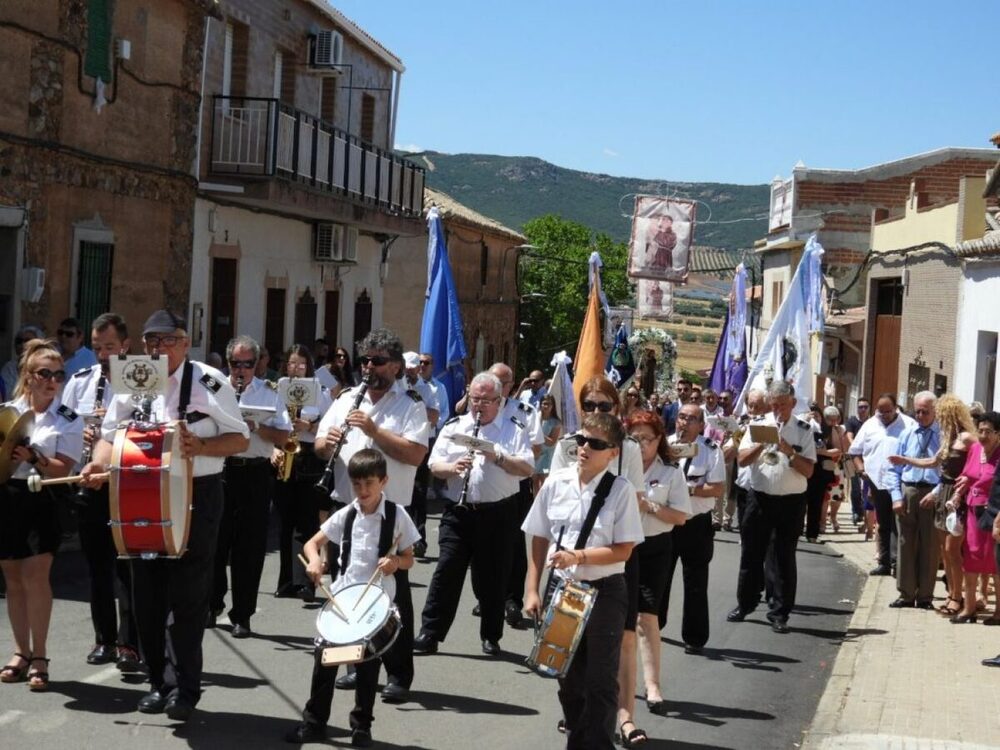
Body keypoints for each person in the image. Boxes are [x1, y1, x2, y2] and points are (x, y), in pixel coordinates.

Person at [81, 309, 250, 721]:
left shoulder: (210, 382)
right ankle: (158, 681)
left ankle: (184, 689)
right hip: (139, 495)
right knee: (147, 597)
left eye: (167, 340)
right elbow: (110, 436)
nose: (158, 348)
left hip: (196, 495)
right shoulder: (132, 379)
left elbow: (241, 439)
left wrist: (201, 448)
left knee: (188, 597)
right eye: (151, 341)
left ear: (184, 342)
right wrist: (97, 464)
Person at [317, 329, 429, 703]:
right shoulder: (347, 397)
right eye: (366, 360)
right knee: (349, 588)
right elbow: (318, 444)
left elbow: (415, 455)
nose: (369, 367)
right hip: (347, 509)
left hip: (388, 512)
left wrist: (374, 430)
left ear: (396, 366)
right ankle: (354, 661)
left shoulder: (410, 404)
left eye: (378, 361)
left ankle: (398, 673)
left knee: (392, 594)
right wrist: (326, 443)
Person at [523, 411, 644, 749]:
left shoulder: (621, 491)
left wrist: (579, 556)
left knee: (601, 681)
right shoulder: (556, 482)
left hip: (605, 592)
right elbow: (538, 536)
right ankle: (579, 740)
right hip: (562, 590)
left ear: (613, 452)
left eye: (595, 443)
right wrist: (532, 589)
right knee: (567, 678)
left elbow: (623, 550)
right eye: (581, 440)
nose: (585, 448)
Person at [286, 449, 420, 746]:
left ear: (383, 481)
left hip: (375, 603)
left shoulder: (398, 515)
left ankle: (361, 727)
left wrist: (396, 563)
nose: (362, 491)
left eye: (369, 484)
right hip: (342, 600)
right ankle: (314, 723)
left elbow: (410, 558)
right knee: (326, 662)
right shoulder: (346, 514)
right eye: (357, 485)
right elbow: (312, 543)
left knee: (367, 667)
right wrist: (314, 562)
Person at [549, 375, 647, 744]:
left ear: (616, 408)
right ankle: (583, 722)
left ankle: (619, 718)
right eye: (588, 405)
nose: (595, 412)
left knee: (613, 649)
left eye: (603, 406)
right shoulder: (568, 445)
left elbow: (632, 505)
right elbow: (554, 499)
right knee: (566, 663)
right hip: (568, 563)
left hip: (615, 556)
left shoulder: (629, 450)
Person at [413, 372, 533, 657]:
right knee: (446, 571)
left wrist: (498, 457)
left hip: (498, 512)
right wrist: (453, 468)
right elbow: (434, 464)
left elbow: (527, 468)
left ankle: (491, 636)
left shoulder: (514, 428)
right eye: (475, 399)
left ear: (499, 401)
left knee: (493, 577)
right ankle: (430, 633)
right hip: (459, 512)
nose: (478, 406)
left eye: (486, 401)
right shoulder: (456, 425)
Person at [0, 338, 83, 691]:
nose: (53, 381)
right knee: (13, 579)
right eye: (45, 373)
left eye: (59, 375)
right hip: (7, 496)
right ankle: (20, 651)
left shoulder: (67, 418)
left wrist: (34, 458)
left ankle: (41, 655)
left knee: (36, 576)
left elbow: (65, 466)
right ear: (28, 375)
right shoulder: (7, 410)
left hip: (43, 496)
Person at [60, 313, 140, 670]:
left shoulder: (140, 382)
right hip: (90, 482)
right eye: (97, 348)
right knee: (98, 567)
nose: (103, 354)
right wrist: (85, 438)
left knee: (128, 567)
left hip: (126, 483)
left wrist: (112, 431)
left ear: (125, 345)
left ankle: (130, 643)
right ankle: (104, 639)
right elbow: (61, 427)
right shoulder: (79, 382)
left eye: (109, 347)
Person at [210, 335, 291, 637]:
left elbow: (284, 436)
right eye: (235, 363)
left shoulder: (270, 394)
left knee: (250, 547)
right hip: (221, 470)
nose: (240, 370)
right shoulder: (215, 390)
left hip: (255, 473)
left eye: (247, 364)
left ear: (257, 364)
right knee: (215, 541)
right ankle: (211, 602)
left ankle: (242, 614)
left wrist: (258, 426)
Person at [728, 380, 816, 634]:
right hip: (760, 498)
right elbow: (742, 461)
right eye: (774, 405)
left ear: (793, 404)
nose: (778, 411)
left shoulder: (803, 429)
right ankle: (745, 604)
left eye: (783, 406)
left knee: (783, 557)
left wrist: (789, 451)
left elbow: (809, 470)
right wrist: (761, 443)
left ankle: (779, 612)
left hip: (790, 502)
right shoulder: (759, 425)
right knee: (751, 553)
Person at [626, 410, 691, 720]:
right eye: (634, 438)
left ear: (658, 440)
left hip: (655, 548)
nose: (640, 445)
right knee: (619, 619)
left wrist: (648, 505)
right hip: (622, 547)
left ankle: (652, 686)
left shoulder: (671, 473)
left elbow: (680, 517)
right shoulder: (619, 468)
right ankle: (615, 682)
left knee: (647, 617)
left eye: (646, 439)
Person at [890, 395, 975, 616]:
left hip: (950, 495)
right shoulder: (947, 438)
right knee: (941, 551)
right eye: (917, 412)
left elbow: (977, 464)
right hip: (931, 491)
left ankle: (953, 596)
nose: (923, 416)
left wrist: (964, 482)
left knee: (948, 549)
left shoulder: (966, 439)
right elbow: (932, 462)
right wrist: (905, 460)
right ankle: (940, 595)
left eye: (931, 413)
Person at [272, 345, 336, 601]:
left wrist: (308, 425)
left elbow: (330, 423)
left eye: (301, 364)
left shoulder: (320, 392)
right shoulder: (277, 389)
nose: (296, 368)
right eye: (291, 364)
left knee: (307, 520)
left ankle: (306, 582)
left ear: (308, 367)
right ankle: (286, 580)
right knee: (284, 522)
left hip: (309, 454)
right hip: (284, 454)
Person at [662, 403, 725, 648]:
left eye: (691, 419)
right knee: (660, 577)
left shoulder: (710, 450)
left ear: (701, 425)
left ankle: (695, 638)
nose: (684, 423)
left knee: (696, 582)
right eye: (681, 417)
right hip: (666, 521)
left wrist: (689, 489)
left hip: (696, 524)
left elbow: (717, 488)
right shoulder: (664, 445)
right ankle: (653, 625)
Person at [848, 394, 916, 576]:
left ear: (896, 408)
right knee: (883, 523)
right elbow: (854, 451)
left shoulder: (909, 425)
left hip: (901, 483)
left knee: (899, 524)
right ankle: (884, 562)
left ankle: (898, 562)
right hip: (876, 482)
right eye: (881, 411)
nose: (884, 415)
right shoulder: (870, 425)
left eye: (888, 411)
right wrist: (861, 470)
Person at [884, 391, 940, 609]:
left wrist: (935, 493)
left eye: (925, 412)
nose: (920, 415)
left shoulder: (943, 436)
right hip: (909, 491)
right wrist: (896, 497)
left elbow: (946, 471)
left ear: (934, 411)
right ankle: (906, 593)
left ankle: (925, 596)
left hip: (931, 492)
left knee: (930, 545)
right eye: (917, 411)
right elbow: (893, 469)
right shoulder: (907, 434)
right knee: (905, 543)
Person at [948, 411, 1000, 624]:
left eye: (988, 431)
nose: (983, 435)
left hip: (995, 514)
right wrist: (957, 495)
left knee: (996, 563)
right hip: (972, 512)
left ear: (998, 434)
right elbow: (968, 477)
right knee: (970, 558)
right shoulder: (975, 449)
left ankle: (999, 613)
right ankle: (969, 608)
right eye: (980, 430)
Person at [846, 399, 871, 528]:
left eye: (865, 407)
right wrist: (856, 447)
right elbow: (849, 436)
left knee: (866, 488)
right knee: (855, 487)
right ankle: (856, 512)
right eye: (860, 407)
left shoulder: (872, 423)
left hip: (867, 459)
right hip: (853, 459)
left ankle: (866, 512)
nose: (863, 409)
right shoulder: (852, 421)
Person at [1, 324, 44, 398]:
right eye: (19, 341)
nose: (22, 344)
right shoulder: (9, 367)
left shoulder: (48, 365)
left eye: (27, 340)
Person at [533, 394, 562, 495]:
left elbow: (551, 442)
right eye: (544, 403)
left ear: (553, 406)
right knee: (535, 482)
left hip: (547, 457)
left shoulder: (556, 422)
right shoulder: (534, 418)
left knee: (545, 481)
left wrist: (539, 432)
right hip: (534, 455)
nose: (546, 406)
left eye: (549, 404)